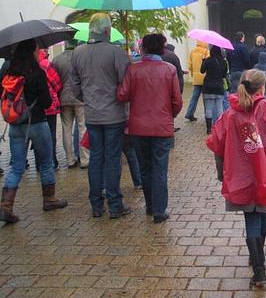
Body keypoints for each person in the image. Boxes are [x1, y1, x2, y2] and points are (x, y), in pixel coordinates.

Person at [206, 69, 266, 288]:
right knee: (261, 213)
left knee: (250, 217)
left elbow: (217, 145)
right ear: (262, 88)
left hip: (239, 177)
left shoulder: (229, 115)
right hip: (265, 173)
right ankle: (258, 259)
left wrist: (222, 175)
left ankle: (257, 265)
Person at [0, 39, 68, 224]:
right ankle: (49, 199)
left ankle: (6, 206)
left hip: (15, 126)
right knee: (46, 162)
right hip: (37, 123)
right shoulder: (36, 72)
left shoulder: (8, 72)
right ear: (32, 51)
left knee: (17, 166)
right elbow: (46, 101)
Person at [117, 34, 182, 223]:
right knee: (160, 168)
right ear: (162, 49)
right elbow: (177, 101)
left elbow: (122, 95)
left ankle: (150, 205)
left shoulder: (133, 69)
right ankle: (159, 211)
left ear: (143, 48)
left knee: (144, 167)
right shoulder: (169, 70)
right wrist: (170, 115)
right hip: (162, 127)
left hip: (138, 128)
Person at [71, 13, 131, 219]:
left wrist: (88, 98)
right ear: (107, 31)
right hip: (114, 114)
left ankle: (96, 204)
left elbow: (75, 86)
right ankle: (115, 204)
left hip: (92, 114)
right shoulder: (116, 52)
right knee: (112, 159)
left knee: (96, 158)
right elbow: (126, 84)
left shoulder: (78, 52)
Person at [52, 39, 89, 169]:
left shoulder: (56, 60)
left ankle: (70, 159)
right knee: (82, 127)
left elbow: (54, 80)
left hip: (63, 98)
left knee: (66, 129)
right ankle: (84, 159)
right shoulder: (80, 58)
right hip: (79, 98)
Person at [38, 49, 62, 170]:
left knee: (38, 134)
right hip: (50, 105)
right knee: (51, 132)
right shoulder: (46, 65)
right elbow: (57, 83)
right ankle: (53, 161)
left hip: (36, 107)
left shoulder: (30, 65)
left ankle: (39, 163)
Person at [201, 45, 228, 134]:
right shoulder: (224, 62)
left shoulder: (208, 60)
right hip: (219, 86)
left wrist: (203, 61)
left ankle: (209, 129)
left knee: (208, 108)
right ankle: (219, 127)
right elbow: (224, 75)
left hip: (208, 86)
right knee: (219, 107)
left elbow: (202, 71)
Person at [185, 41, 209, 121]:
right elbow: (207, 64)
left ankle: (189, 113)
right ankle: (207, 115)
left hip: (196, 77)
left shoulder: (193, 51)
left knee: (194, 97)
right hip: (205, 77)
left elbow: (190, 65)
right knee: (206, 98)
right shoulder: (206, 51)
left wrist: (192, 73)